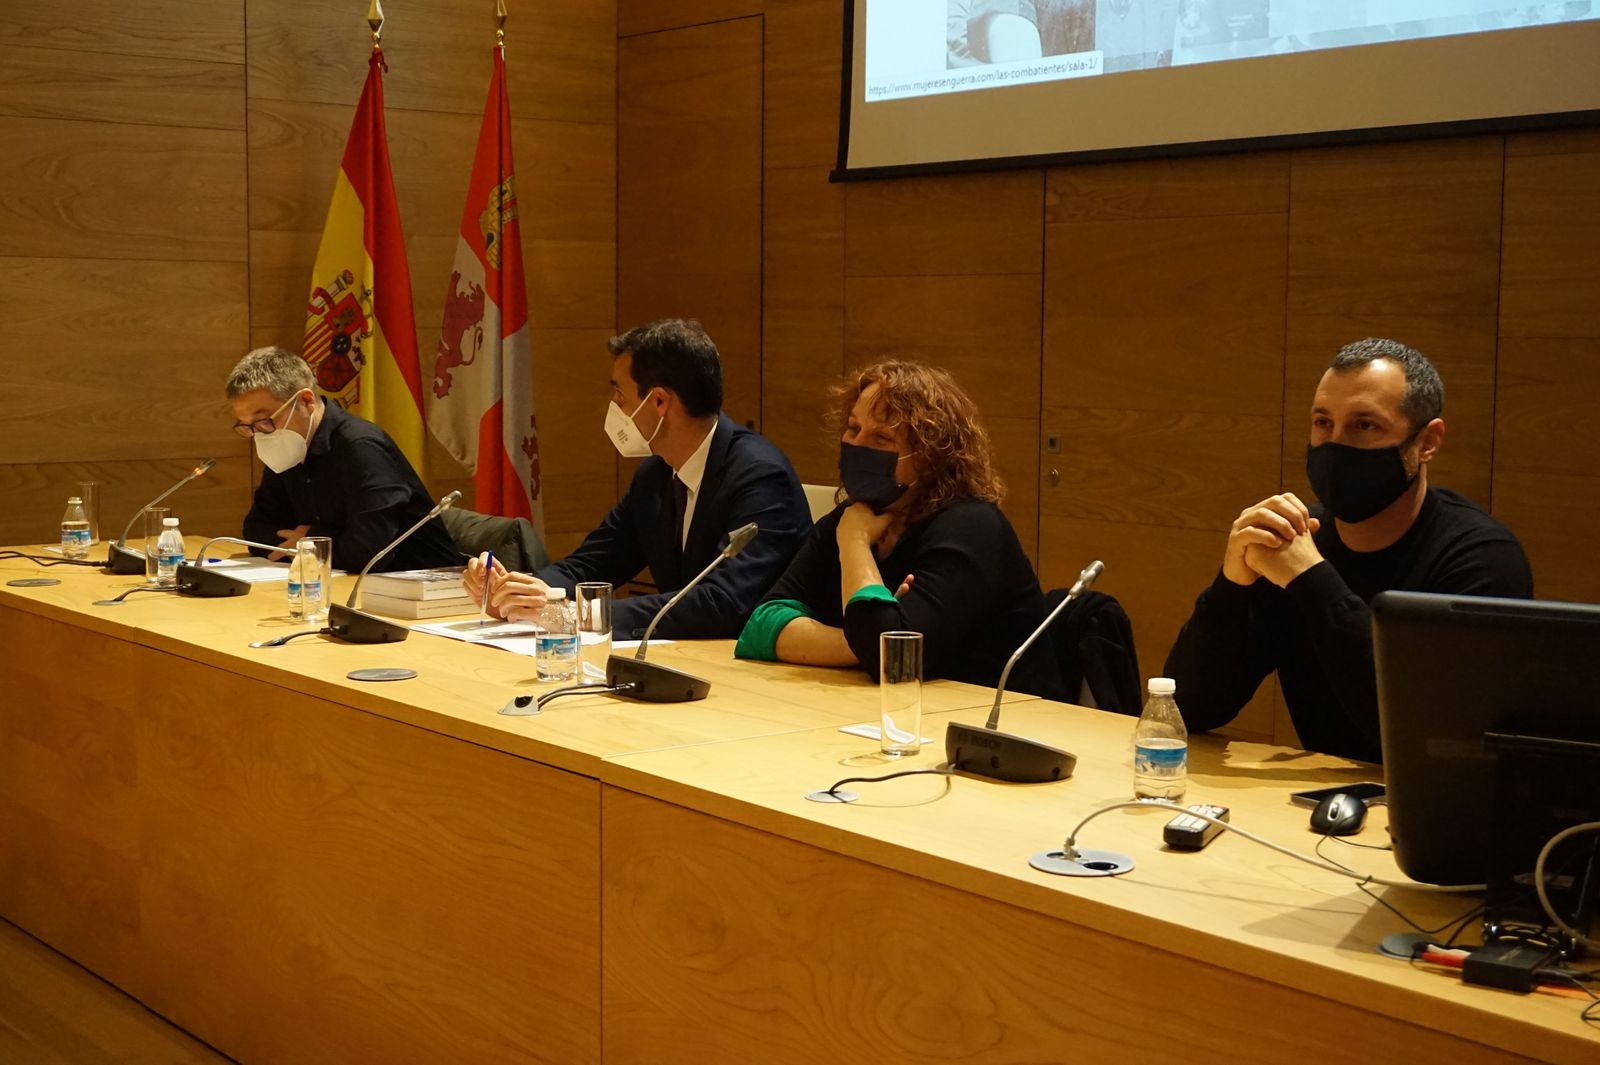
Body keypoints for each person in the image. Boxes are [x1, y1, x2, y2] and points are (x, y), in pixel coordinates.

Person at [1164, 338, 1533, 762]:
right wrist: (1231, 587)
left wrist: (1314, 583)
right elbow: (1189, 710)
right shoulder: (1296, 542)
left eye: (1365, 426)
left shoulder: (1482, 560)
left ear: (1427, 442)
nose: (1335, 445)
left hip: (1427, 799)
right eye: (1323, 423)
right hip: (1313, 799)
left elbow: (1430, 741)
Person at [735, 361, 1065, 698]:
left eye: (881, 438)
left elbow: (892, 663)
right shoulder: (851, 517)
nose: (858, 445)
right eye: (853, 428)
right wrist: (863, 639)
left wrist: (855, 544)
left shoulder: (972, 528)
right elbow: (760, 626)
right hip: (895, 711)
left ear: (930, 456)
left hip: (1003, 719)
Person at [464, 319, 811, 640]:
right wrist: (518, 592)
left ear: (659, 401)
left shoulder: (761, 477)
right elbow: (592, 564)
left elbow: (724, 603)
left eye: (620, 394)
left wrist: (576, 614)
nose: (615, 406)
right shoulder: (655, 475)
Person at [226, 347, 459, 574]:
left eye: (264, 421)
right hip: (350, 581)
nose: (259, 435)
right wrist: (311, 545)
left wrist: (310, 541)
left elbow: (368, 551)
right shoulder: (285, 449)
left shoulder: (361, 447)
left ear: (306, 401)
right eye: (248, 426)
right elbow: (255, 531)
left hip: (425, 584)